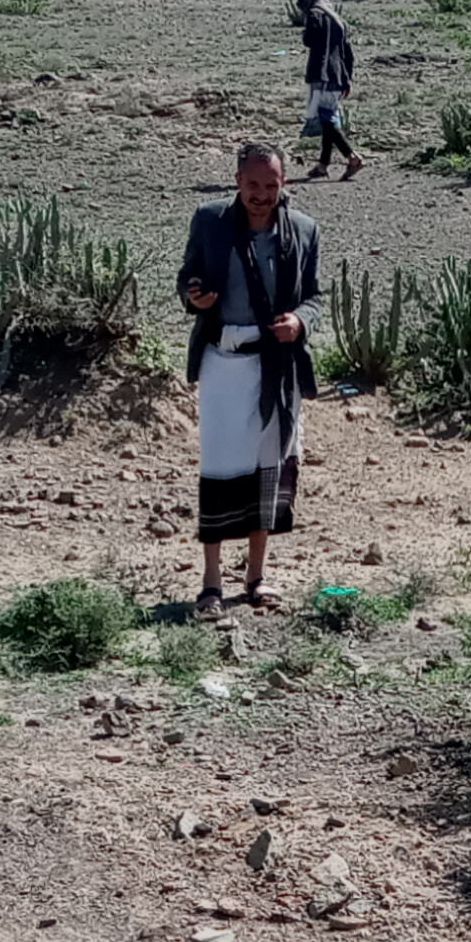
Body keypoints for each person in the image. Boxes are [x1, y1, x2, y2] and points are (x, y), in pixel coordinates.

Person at [175, 146, 318, 612]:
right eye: (253, 185)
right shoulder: (210, 221)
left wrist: (299, 322)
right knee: (218, 467)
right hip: (223, 359)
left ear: (284, 186)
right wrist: (194, 297)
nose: (261, 195)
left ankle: (257, 576)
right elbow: (187, 275)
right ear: (238, 180)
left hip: (277, 364)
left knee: (268, 468)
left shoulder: (302, 231)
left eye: (271, 187)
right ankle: (212, 582)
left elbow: (316, 297)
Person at [292, 0, 361, 179]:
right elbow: (348, 53)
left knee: (326, 120)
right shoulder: (337, 19)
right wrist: (347, 79)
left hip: (322, 73)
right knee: (327, 119)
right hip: (338, 74)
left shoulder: (315, 15)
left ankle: (352, 156)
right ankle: (323, 165)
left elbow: (309, 41)